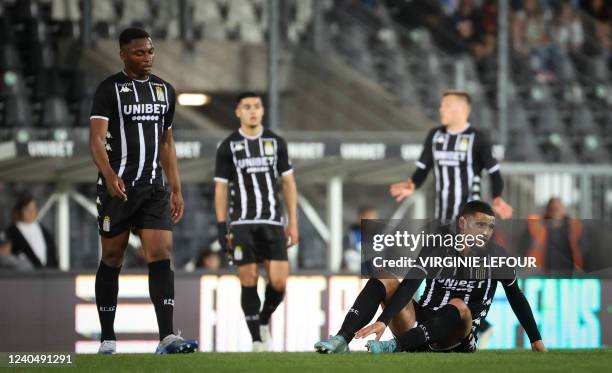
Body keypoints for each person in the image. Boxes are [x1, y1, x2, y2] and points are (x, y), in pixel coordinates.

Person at [315, 201, 547, 354]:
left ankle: (396, 346)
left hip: (460, 334)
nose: (486, 232)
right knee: (385, 277)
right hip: (421, 322)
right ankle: (341, 339)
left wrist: (535, 339)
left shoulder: (498, 257)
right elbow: (409, 285)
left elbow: (516, 296)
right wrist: (383, 320)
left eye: (490, 227)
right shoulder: (437, 248)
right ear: (463, 223)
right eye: (480, 225)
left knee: (458, 305)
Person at [89, 27, 197, 355]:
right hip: (118, 189)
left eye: (150, 51)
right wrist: (108, 175)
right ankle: (107, 337)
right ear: (123, 54)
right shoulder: (109, 89)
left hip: (153, 188)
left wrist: (176, 188)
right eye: (139, 52)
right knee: (112, 258)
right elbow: (96, 139)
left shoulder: (165, 91)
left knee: (161, 253)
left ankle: (166, 337)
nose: (147, 57)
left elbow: (166, 142)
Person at [214, 92, 299, 352]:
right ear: (237, 112)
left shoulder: (276, 143)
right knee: (248, 277)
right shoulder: (228, 146)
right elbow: (220, 188)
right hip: (241, 222)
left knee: (279, 282)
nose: (253, 111)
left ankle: (263, 321)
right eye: (247, 107)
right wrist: (221, 226)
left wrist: (293, 222)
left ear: (263, 111)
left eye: (257, 106)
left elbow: (288, 183)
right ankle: (256, 341)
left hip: (272, 221)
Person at [390, 90, 513, 224]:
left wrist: (497, 198)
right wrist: (413, 183)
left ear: (463, 109)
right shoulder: (435, 135)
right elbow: (422, 169)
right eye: (441, 105)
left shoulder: (477, 138)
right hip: (441, 215)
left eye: (446, 105)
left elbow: (495, 173)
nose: (441, 109)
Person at [526, 198, 583, 276]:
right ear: (548, 210)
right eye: (553, 209)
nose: (556, 212)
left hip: (568, 271)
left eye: (558, 208)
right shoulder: (539, 226)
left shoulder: (572, 227)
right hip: (544, 271)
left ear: (563, 210)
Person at [6, 193, 58, 269]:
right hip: (23, 277)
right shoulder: (11, 232)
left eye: (33, 209)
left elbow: (52, 256)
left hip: (47, 276)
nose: (31, 212)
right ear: (20, 210)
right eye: (27, 209)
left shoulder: (45, 231)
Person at [344, 206, 378, 273]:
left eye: (372, 217)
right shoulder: (351, 235)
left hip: (374, 270)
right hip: (356, 270)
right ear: (359, 218)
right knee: (350, 254)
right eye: (366, 217)